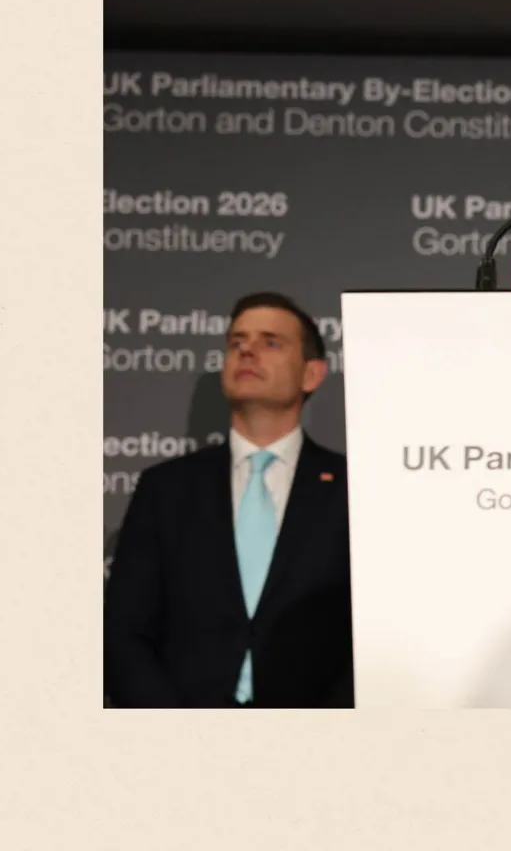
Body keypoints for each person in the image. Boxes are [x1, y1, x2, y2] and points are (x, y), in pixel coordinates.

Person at [104, 292, 353, 708]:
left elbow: (372, 638)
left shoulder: (352, 489)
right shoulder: (165, 489)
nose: (247, 351)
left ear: (311, 374)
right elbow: (123, 633)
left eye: (270, 342)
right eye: (237, 341)